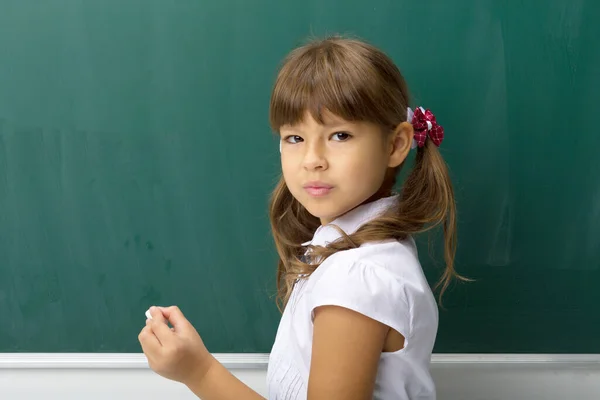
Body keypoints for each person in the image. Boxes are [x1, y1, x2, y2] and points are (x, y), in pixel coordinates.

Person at [138, 35, 463, 400]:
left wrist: (198, 371)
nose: (312, 159)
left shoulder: (356, 278)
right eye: (294, 137)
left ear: (396, 145)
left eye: (340, 135)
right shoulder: (360, 255)